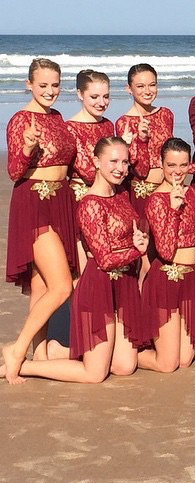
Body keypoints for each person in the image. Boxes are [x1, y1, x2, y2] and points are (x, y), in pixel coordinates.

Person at [1, 137, 149, 383]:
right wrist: (138, 251)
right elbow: (104, 259)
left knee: (124, 366)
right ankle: (25, 365)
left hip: (124, 288)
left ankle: (59, 351)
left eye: (124, 161)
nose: (120, 168)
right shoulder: (89, 204)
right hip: (99, 289)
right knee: (95, 375)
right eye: (113, 161)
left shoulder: (123, 194)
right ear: (96, 161)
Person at [3, 58, 77, 384]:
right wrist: (28, 146)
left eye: (55, 85)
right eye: (43, 85)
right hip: (35, 200)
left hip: (61, 200)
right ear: (29, 84)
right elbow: (15, 171)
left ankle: (41, 352)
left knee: (42, 284)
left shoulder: (59, 118)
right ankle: (17, 349)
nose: (50, 91)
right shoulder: (21, 119)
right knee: (62, 286)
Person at [139, 138, 195, 372]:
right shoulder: (156, 200)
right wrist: (174, 210)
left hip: (190, 281)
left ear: (190, 166)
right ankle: (120, 354)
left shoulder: (194, 193)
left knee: (185, 359)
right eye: (171, 165)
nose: (177, 171)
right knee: (168, 364)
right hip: (167, 279)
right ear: (161, 164)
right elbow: (166, 251)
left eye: (183, 165)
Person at [67, 69, 115, 272]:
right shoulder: (70, 127)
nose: (101, 102)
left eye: (105, 97)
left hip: (108, 196)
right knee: (85, 261)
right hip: (81, 197)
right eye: (94, 97)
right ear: (80, 94)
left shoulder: (108, 125)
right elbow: (86, 170)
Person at [115, 63, 173, 222]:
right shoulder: (123, 122)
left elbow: (173, 154)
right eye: (140, 86)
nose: (147, 91)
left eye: (152, 85)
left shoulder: (166, 114)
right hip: (143, 191)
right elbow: (140, 170)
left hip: (169, 188)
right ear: (129, 88)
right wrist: (141, 139)